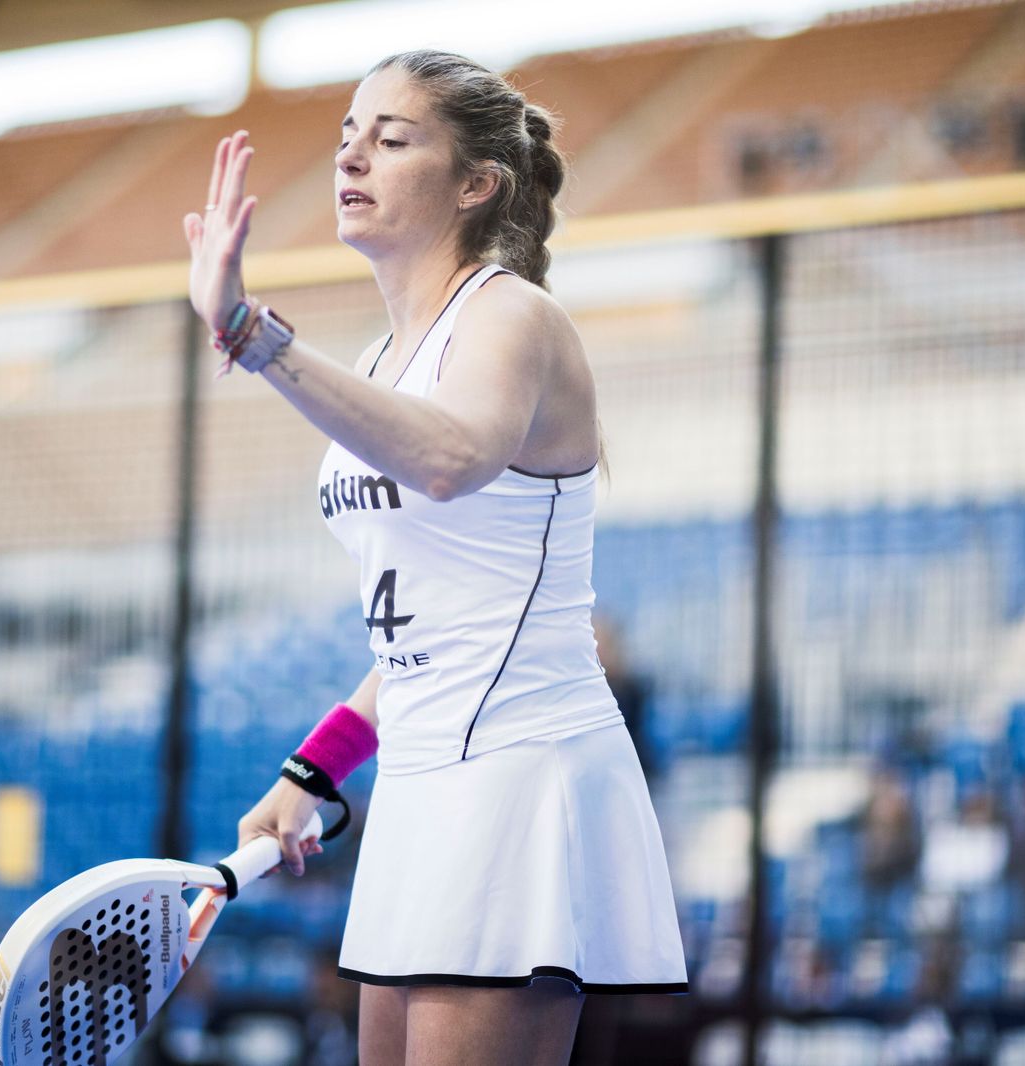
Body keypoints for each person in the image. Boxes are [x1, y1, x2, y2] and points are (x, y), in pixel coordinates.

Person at [186, 49, 685, 1065]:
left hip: (517, 770)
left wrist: (252, 333)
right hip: (420, 776)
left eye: (391, 136)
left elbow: (453, 458)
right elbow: (426, 630)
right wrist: (312, 768)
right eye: (345, 134)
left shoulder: (514, 316)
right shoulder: (377, 359)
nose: (353, 153)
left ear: (474, 183)